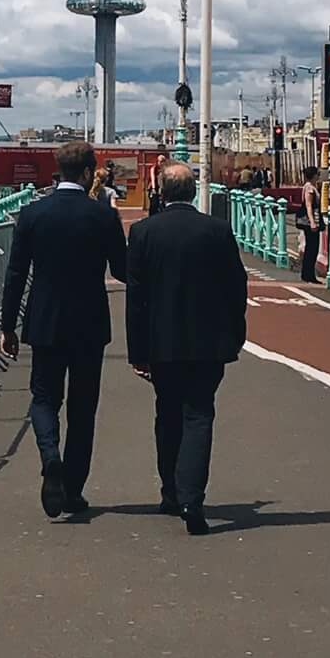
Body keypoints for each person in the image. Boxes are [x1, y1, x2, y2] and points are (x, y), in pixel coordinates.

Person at [0, 140, 127, 519]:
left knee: (43, 398)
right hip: (89, 323)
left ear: (59, 171)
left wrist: (8, 326)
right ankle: (72, 489)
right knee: (83, 408)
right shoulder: (102, 217)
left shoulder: (33, 214)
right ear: (88, 173)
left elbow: (16, 274)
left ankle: (50, 457)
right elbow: (121, 270)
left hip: (44, 320)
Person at [125, 162, 249, 536]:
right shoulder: (216, 230)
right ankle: (192, 499)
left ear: (162, 193)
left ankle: (170, 491)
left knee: (168, 413)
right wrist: (235, 332)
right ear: (194, 192)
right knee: (199, 415)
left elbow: (136, 297)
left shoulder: (144, 232)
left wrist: (137, 351)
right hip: (208, 342)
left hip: (161, 341)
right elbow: (236, 286)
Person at [298, 176, 326, 284]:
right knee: (312, 248)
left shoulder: (308, 186)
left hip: (311, 221)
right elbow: (308, 206)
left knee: (311, 248)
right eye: (318, 174)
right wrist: (312, 222)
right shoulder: (310, 188)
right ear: (314, 175)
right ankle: (308, 275)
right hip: (312, 222)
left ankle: (308, 274)